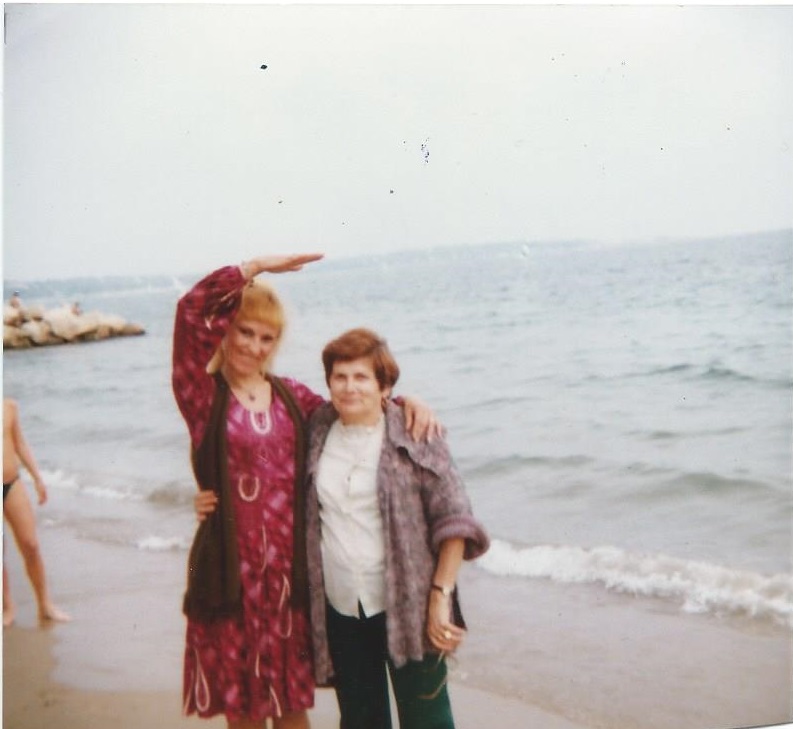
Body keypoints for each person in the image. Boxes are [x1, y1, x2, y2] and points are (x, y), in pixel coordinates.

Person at [174, 255, 439, 729]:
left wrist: (404, 400)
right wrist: (253, 267)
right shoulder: (202, 395)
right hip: (232, 579)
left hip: (291, 582)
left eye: (266, 337)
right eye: (245, 332)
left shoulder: (293, 397)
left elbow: (354, 406)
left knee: (293, 705)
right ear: (227, 331)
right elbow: (190, 314)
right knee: (247, 707)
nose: (254, 346)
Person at [305, 328, 490, 729]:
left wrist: (440, 596)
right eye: (340, 377)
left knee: (428, 719)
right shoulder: (317, 427)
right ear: (329, 382)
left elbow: (454, 519)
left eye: (361, 377)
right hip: (342, 607)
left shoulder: (417, 432)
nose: (350, 387)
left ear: (384, 385)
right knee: (360, 720)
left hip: (411, 605)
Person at [3, 398, 71, 627]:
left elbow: (19, 444)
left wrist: (38, 478)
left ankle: (45, 606)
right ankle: (7, 607)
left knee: (30, 544)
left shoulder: (9, 406)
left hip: (11, 482)